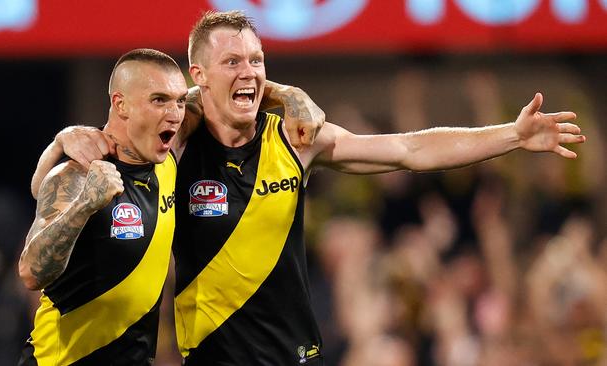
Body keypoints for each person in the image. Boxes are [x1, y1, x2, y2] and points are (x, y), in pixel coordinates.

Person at [34, 11, 585, 366]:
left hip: (296, 356)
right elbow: (86, 155)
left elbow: (409, 149)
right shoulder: (174, 142)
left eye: (257, 60)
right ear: (198, 76)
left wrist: (510, 136)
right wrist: (62, 139)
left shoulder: (297, 139)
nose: (248, 71)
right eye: (232, 61)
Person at [17, 48, 187, 365]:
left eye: (179, 101)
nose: (175, 113)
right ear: (120, 105)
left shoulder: (166, 161)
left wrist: (287, 95)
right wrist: (83, 206)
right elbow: (30, 273)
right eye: (159, 100)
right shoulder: (78, 174)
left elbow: (220, 94)